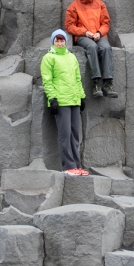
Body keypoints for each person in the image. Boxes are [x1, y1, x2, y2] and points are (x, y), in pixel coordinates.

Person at [40, 29, 89, 176]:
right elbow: (47, 81)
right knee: (65, 134)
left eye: (62, 40)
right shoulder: (48, 58)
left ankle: (77, 165)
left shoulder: (71, 57)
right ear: (53, 42)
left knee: (75, 134)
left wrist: (81, 96)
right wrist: (52, 98)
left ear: (66, 42)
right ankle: (68, 167)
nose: (60, 43)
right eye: (57, 40)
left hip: (74, 99)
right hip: (61, 101)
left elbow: (77, 79)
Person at [65, 0, 118, 99]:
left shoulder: (100, 4)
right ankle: (96, 83)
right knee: (92, 47)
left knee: (106, 48)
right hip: (83, 36)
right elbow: (69, 25)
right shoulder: (73, 6)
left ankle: (107, 84)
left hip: (98, 34)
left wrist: (100, 32)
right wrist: (84, 32)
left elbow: (106, 23)